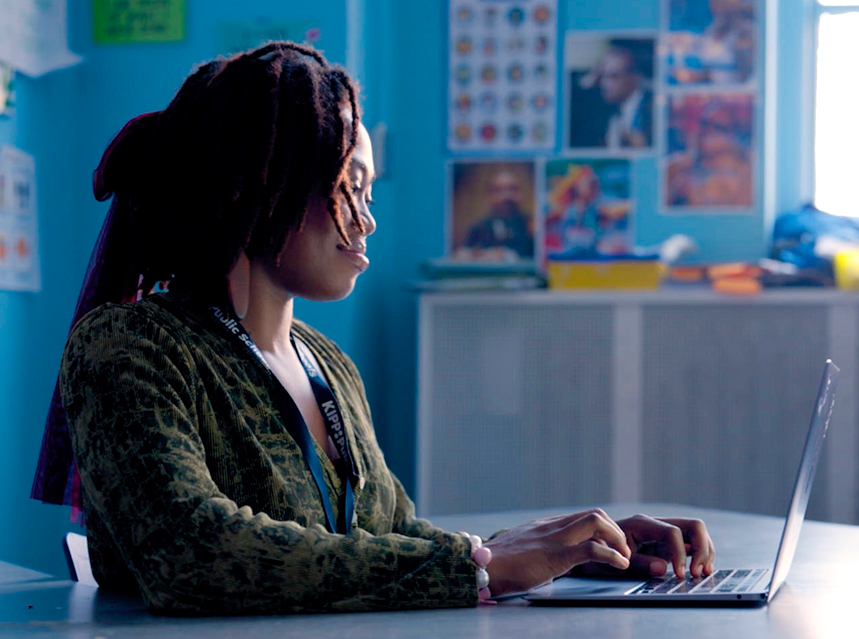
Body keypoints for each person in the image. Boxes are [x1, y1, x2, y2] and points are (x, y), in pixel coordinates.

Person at [31, 42, 715, 615]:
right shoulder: (131, 346)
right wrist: (482, 564)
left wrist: (565, 551)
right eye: (347, 187)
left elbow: (389, 537)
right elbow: (190, 555)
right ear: (260, 183)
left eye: (369, 191)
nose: (368, 219)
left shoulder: (327, 362)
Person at [569, 40, 654, 150]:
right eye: (602, 75)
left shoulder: (652, 107)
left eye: (613, 76)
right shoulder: (606, 110)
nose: (605, 83)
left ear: (634, 77)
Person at [459, 170, 534, 260]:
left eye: (513, 189)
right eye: (499, 190)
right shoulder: (478, 230)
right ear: (488, 196)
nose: (507, 195)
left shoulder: (533, 227)